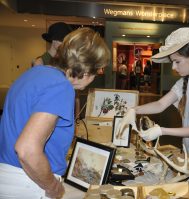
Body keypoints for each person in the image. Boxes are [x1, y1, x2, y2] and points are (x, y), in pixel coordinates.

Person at [0, 27, 110, 198]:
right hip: (30, 182)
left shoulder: (33, 74)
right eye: (98, 71)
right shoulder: (60, 86)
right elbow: (27, 149)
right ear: (87, 70)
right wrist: (52, 186)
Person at [117, 27, 189, 153]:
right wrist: (134, 110)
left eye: (177, 61)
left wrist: (161, 130)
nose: (173, 67)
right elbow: (160, 104)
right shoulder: (185, 81)